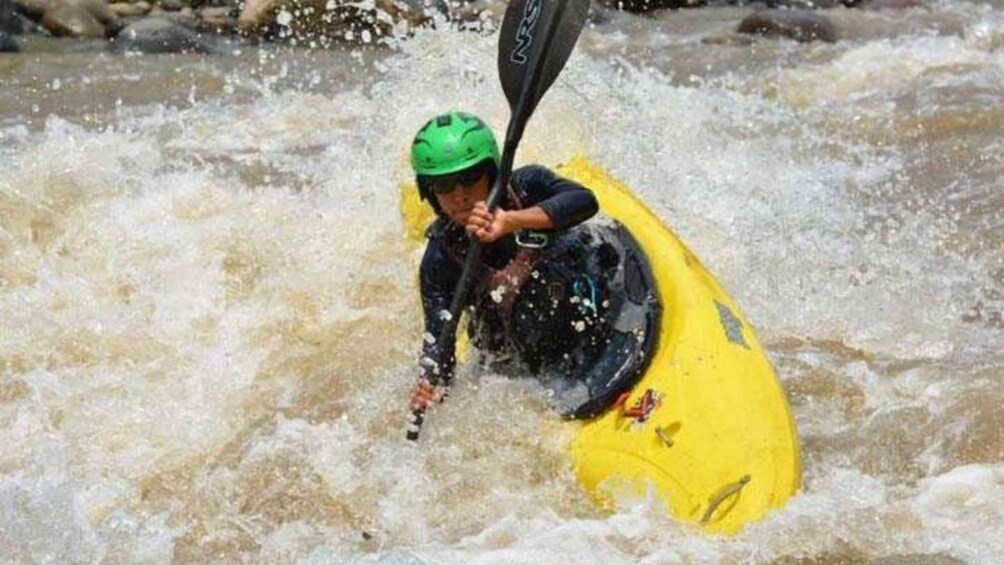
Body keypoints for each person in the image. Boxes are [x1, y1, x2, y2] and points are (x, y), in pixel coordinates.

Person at [407, 110, 658, 418]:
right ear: (429, 191)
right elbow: (438, 340)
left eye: (470, 178)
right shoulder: (439, 261)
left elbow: (584, 201)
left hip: (595, 306)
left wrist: (511, 221)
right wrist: (431, 381)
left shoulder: (527, 186)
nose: (460, 195)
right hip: (534, 353)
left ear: (492, 173)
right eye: (445, 185)